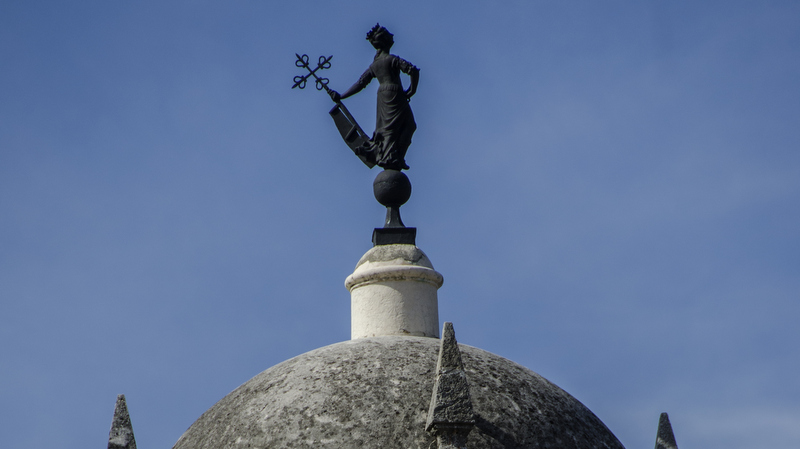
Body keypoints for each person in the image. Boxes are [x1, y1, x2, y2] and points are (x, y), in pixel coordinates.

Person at [329, 24, 419, 171]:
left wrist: (342, 96)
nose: (393, 37)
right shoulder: (392, 59)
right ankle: (395, 158)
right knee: (408, 126)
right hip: (395, 93)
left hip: (383, 95)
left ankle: (392, 157)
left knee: (388, 130)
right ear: (386, 41)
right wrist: (411, 90)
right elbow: (413, 70)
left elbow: (360, 84)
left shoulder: (374, 65)